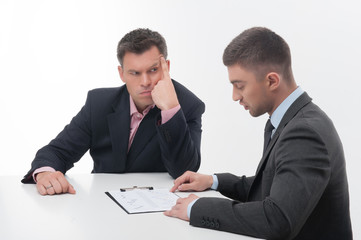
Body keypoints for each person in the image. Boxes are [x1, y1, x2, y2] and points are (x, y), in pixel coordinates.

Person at [164, 27, 353, 240]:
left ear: (272, 80)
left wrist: (197, 208)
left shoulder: (305, 133)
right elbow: (272, 185)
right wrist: (213, 181)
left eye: (240, 86)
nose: (235, 96)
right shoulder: (289, 120)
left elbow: (277, 219)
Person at [21, 28, 205, 196]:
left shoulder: (188, 105)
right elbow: (58, 151)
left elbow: (184, 171)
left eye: (153, 70)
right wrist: (46, 173)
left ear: (167, 67)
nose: (146, 81)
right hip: (102, 202)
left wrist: (171, 110)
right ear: (121, 73)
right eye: (135, 73)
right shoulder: (99, 104)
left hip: (159, 208)